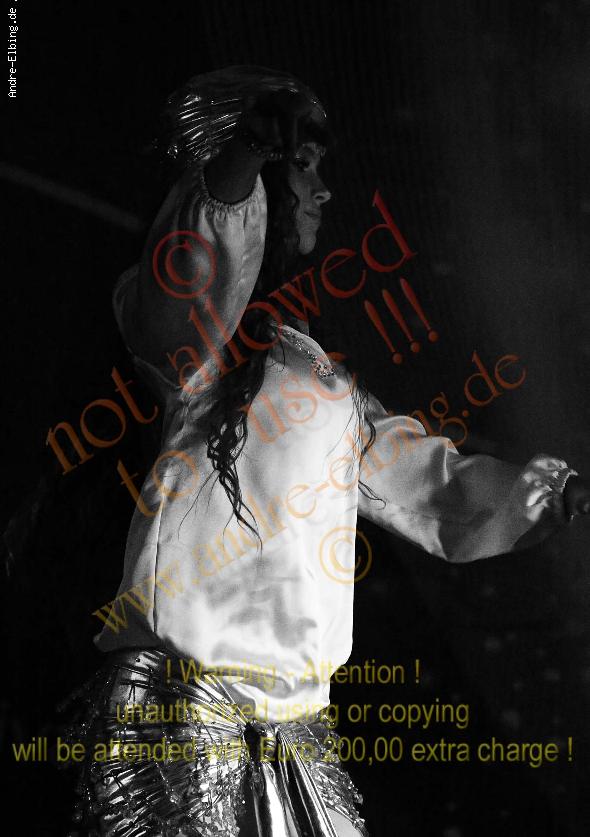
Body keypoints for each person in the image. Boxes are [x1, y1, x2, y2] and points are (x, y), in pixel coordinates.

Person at [63, 66, 590, 837]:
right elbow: (192, 269)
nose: (324, 189)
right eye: (305, 164)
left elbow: (425, 482)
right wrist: (243, 157)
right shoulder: (183, 335)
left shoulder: (311, 366)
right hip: (189, 712)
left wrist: (549, 493)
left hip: (296, 733)